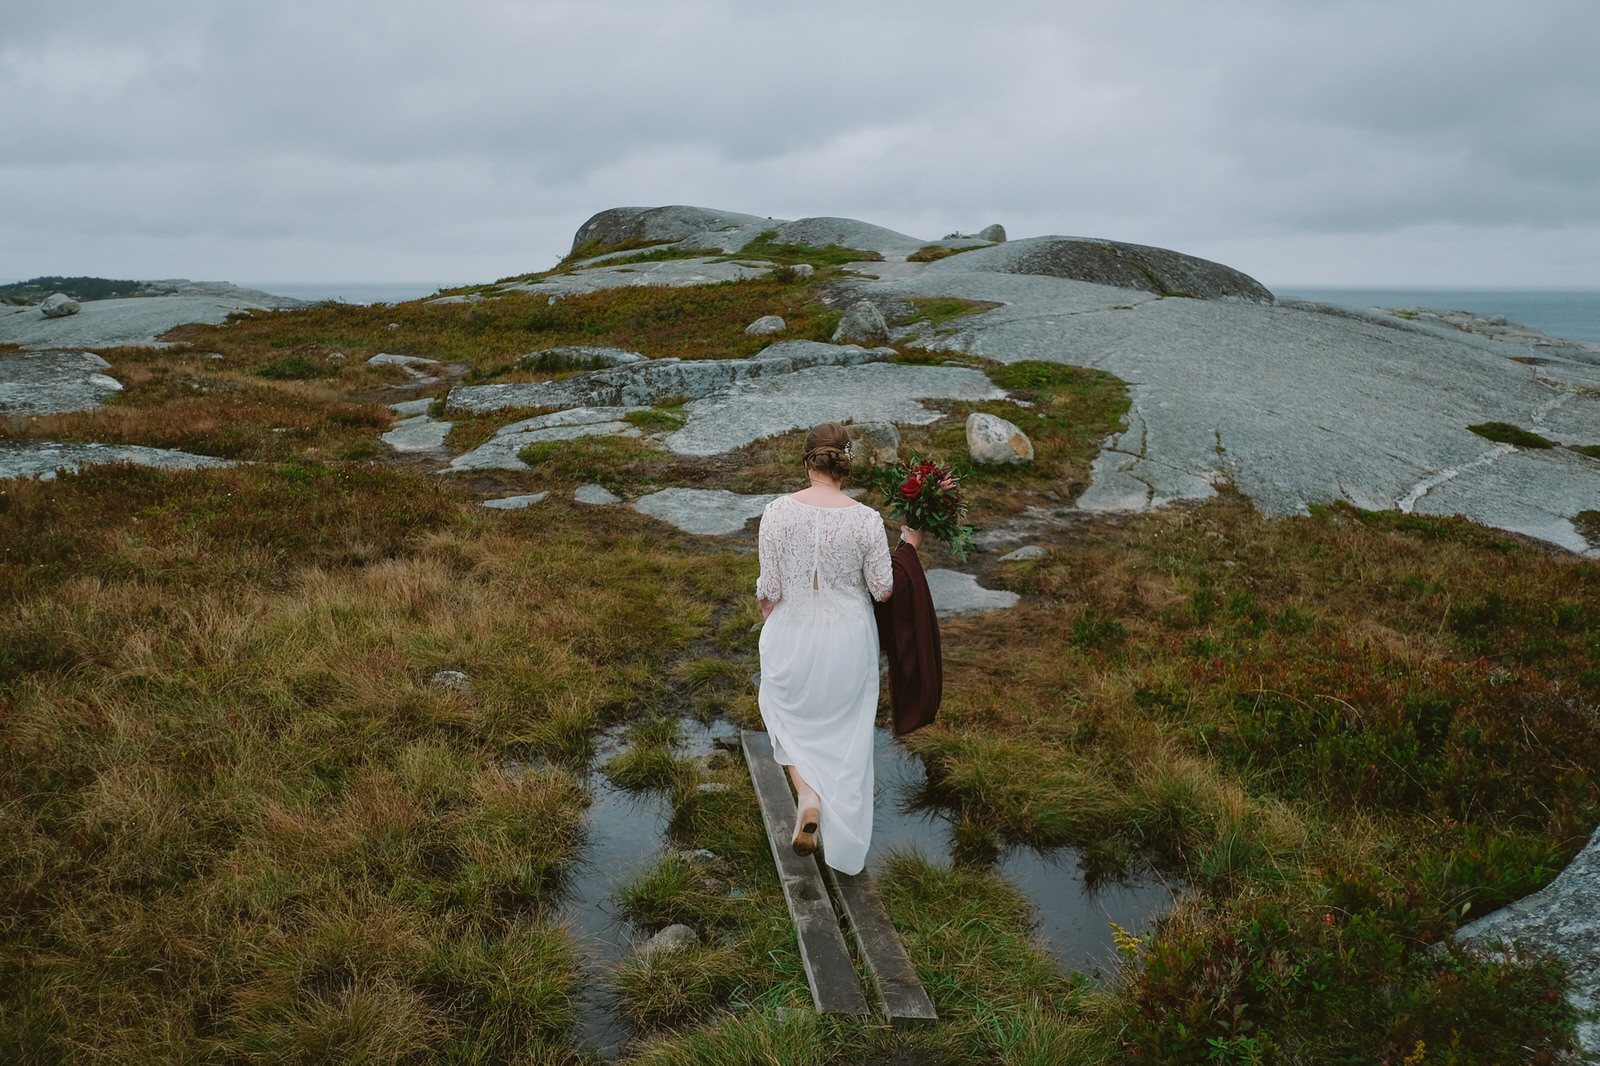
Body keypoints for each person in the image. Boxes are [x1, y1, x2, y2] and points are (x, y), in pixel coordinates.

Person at [755, 422, 922, 875]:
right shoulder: (866, 519)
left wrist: (775, 617)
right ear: (845, 463)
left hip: (793, 633)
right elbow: (883, 590)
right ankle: (844, 847)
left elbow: (768, 588)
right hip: (849, 642)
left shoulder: (775, 513)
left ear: (808, 461)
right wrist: (909, 546)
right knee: (846, 739)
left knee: (786, 717)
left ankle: (807, 795)